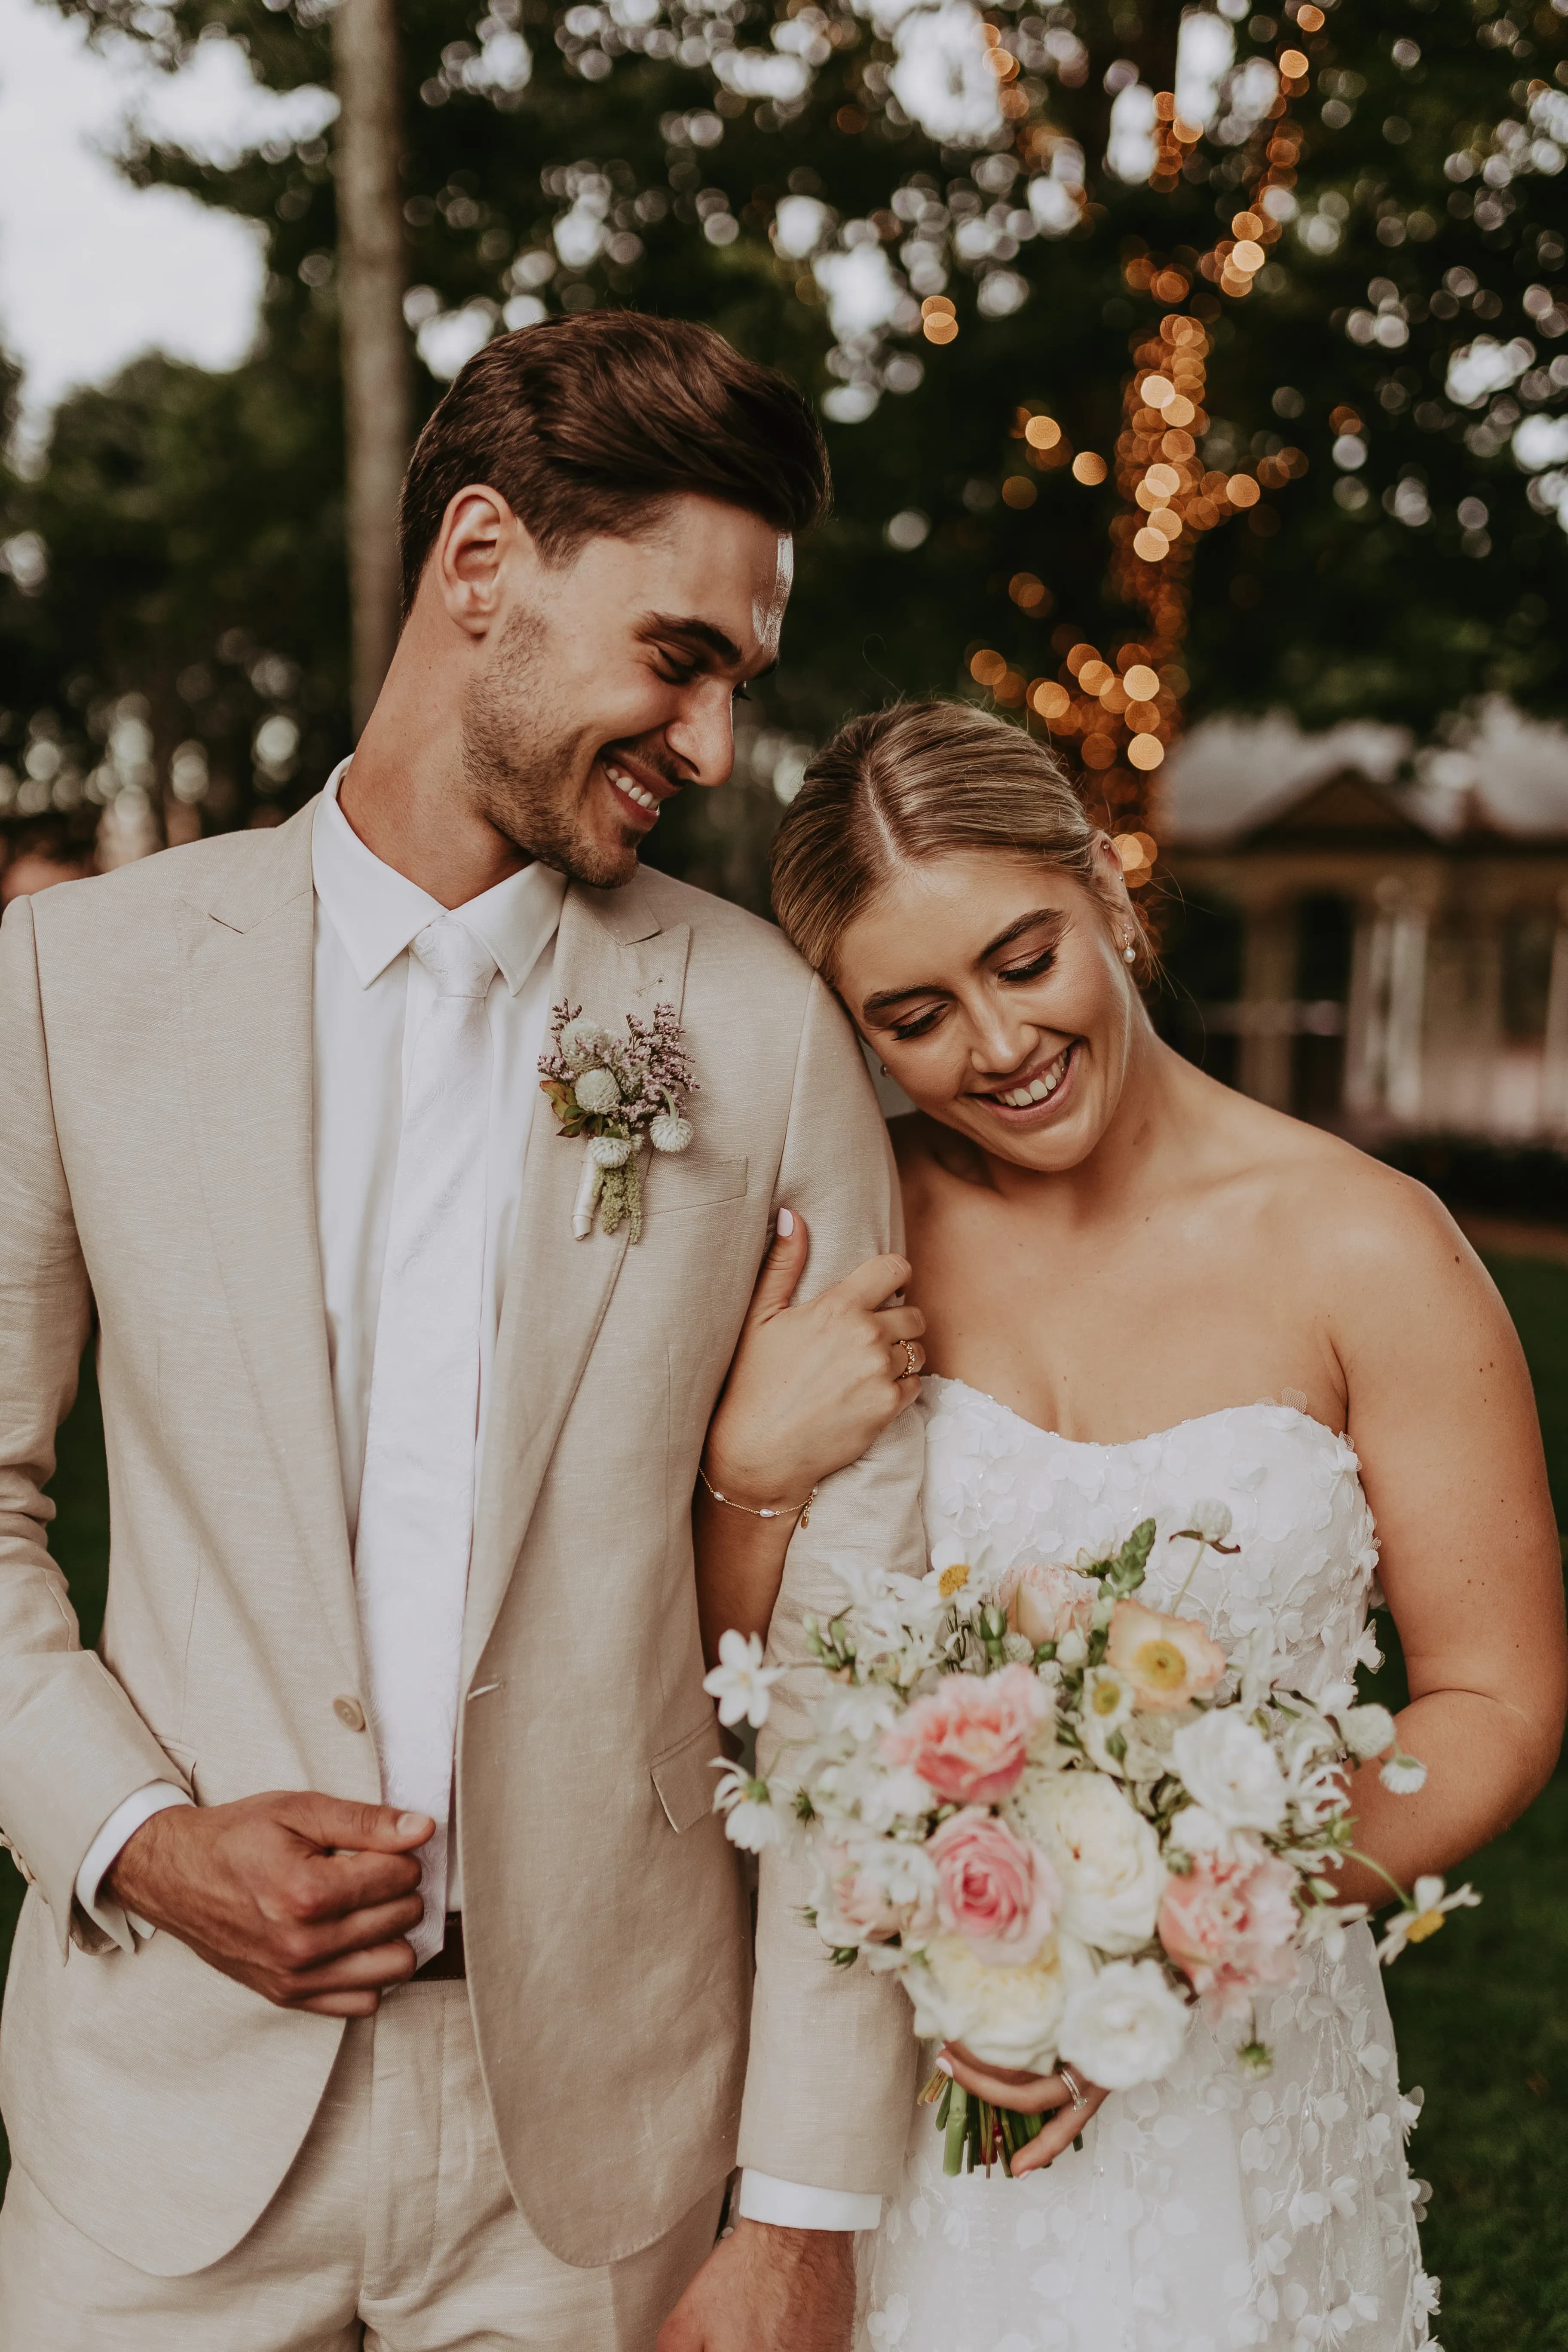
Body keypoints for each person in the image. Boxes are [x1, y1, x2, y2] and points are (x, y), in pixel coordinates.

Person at [0, 313, 927, 2352]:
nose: (708, 748)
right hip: (160, 2122)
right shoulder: (77, 981)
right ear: (482, 561)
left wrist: (799, 2207)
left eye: (737, 687)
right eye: (681, 657)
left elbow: (875, 1644)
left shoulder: (763, 1028)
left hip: (597, 2158)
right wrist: (137, 1841)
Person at [695, 700, 1567, 2351]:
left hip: (1244, 2070)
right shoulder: (839, 1246)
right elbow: (718, 1681)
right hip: (893, 2085)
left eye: (1025, 960)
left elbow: (1501, 1697)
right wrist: (749, 1461)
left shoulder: (1374, 1247)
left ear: (1110, 889)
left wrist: (1181, 1936)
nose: (997, 1046)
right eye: (917, 1014)